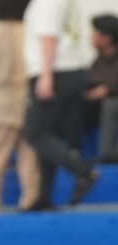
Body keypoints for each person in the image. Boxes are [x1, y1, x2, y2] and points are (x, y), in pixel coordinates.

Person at [23, 0, 99, 208]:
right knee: (50, 135)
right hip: (73, 71)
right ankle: (44, 196)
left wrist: (45, 76)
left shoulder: (45, 2)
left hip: (55, 72)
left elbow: (49, 37)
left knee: (34, 132)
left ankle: (83, 171)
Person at [0, 0, 41, 213]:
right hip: (28, 100)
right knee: (29, 157)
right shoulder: (32, 34)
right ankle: (30, 201)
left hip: (0, 101)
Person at [86, 13, 118, 161]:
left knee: (110, 104)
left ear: (108, 37)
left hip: (112, 102)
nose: (91, 37)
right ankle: (73, 151)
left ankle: (107, 155)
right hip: (98, 104)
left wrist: (108, 89)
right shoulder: (99, 60)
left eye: (95, 33)